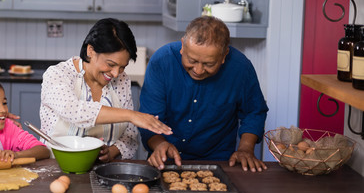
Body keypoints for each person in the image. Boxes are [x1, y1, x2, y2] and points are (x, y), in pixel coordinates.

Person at [139, 16, 268, 172]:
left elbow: (254, 112)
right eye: (192, 60)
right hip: (165, 158)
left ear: (224, 55)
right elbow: (149, 116)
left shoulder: (241, 68)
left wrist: (245, 149)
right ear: (182, 47)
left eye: (209, 64)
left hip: (219, 161)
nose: (198, 70)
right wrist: (159, 144)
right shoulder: (162, 61)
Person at [40, 18, 172, 162]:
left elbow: (129, 135)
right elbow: (73, 111)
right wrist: (131, 115)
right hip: (55, 168)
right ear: (91, 50)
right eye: (110, 64)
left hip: (103, 172)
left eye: (122, 67)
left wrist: (112, 152)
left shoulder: (121, 80)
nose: (116, 73)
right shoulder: (58, 74)